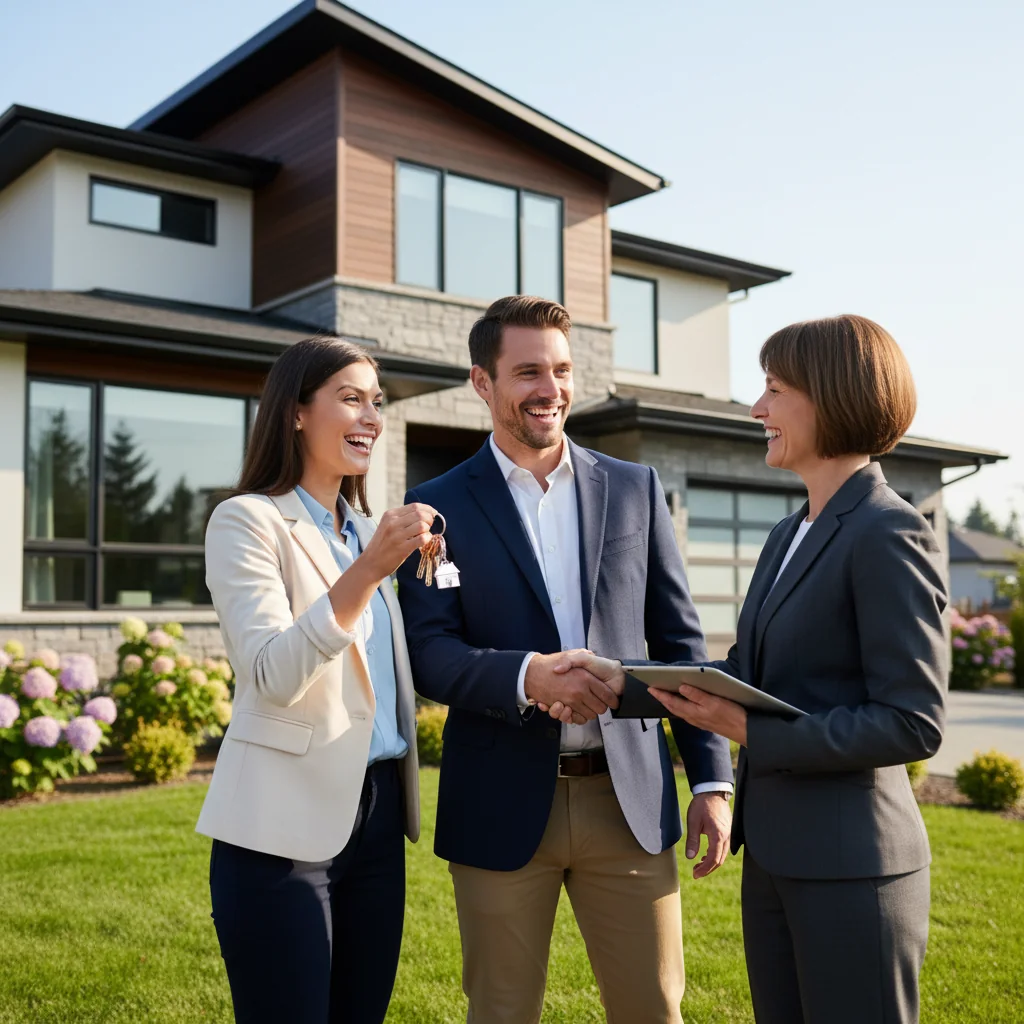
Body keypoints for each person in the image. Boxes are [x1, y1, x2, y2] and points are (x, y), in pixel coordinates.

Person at [553, 315, 948, 1024]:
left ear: (830, 397)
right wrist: (623, 683)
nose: (757, 410)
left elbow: (912, 723)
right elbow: (744, 672)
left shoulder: (888, 531)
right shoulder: (789, 532)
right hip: (774, 859)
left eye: (774, 390)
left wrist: (751, 732)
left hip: (853, 867)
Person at [396, 295, 734, 1024]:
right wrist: (527, 676)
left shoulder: (635, 488)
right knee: (501, 1012)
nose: (550, 388)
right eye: (527, 372)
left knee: (654, 1011)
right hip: (499, 802)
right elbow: (429, 652)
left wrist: (711, 779)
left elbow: (679, 643)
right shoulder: (435, 507)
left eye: (561, 370)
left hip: (628, 800)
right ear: (483, 383)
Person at [197, 337, 437, 1024]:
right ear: (296, 412)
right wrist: (368, 573)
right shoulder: (248, 521)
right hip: (279, 825)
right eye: (351, 399)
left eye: (377, 403)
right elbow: (271, 674)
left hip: (379, 818)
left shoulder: (366, 531)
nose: (371, 418)